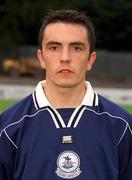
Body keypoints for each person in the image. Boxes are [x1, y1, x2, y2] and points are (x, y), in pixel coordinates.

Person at [0, 10, 132, 180]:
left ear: (90, 59)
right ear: (41, 58)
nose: (65, 57)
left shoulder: (122, 127)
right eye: (54, 48)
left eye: (76, 48)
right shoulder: (8, 127)